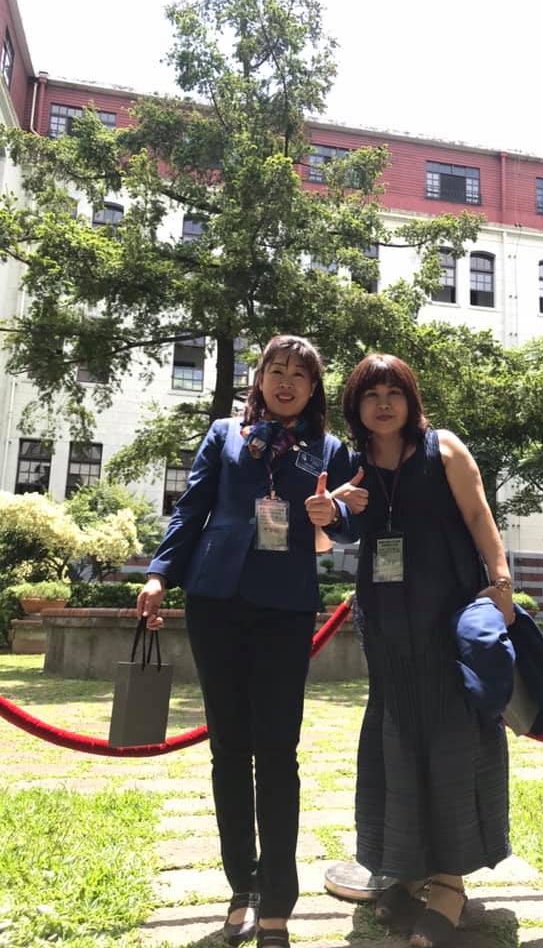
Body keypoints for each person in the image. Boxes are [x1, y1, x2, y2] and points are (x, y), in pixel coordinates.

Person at [137, 335, 354, 948]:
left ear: (313, 388)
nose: (285, 382)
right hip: (216, 599)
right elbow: (192, 508)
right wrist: (159, 573)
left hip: (284, 606)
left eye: (299, 375)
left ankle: (278, 899)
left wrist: (335, 515)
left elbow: (353, 519)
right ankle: (242, 888)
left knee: (278, 752)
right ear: (259, 378)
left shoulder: (328, 448)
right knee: (229, 749)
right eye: (275, 371)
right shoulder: (224, 434)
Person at [334, 353, 514, 948]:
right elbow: (331, 532)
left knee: (449, 741)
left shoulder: (444, 449)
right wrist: (329, 512)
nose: (383, 403)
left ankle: (449, 884)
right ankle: (404, 868)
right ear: (356, 406)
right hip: (386, 629)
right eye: (371, 394)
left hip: (447, 619)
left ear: (410, 400)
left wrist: (502, 582)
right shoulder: (353, 466)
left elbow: (479, 514)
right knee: (397, 743)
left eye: (394, 391)